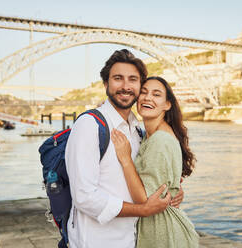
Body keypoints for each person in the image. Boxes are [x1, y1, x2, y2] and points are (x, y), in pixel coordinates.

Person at [65, 49, 184, 248]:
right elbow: (84, 197)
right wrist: (144, 210)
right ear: (106, 84)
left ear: (139, 86)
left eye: (133, 80)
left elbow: (149, 175)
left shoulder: (137, 129)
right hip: (97, 241)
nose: (126, 86)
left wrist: (174, 190)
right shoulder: (89, 125)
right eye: (118, 78)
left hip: (132, 240)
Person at [111, 76, 199, 247]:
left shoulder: (160, 140)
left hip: (163, 234)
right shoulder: (150, 135)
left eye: (156, 94)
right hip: (162, 230)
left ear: (167, 104)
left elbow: (145, 200)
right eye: (143, 93)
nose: (148, 97)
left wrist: (125, 159)